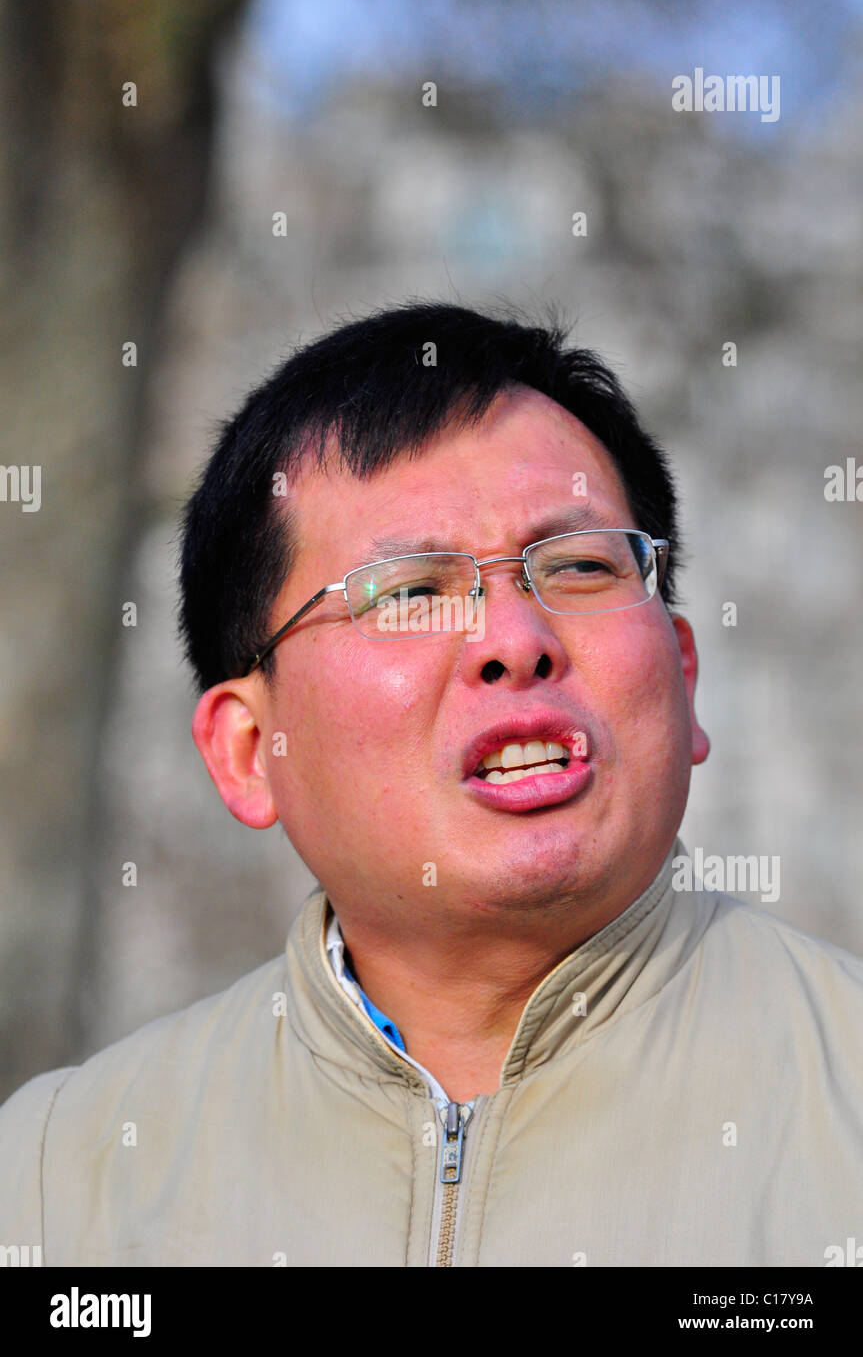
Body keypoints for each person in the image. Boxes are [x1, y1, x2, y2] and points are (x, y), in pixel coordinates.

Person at [1, 302, 861, 1268]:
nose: (516, 641)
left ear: (684, 675)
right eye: (411, 592)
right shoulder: (56, 1185)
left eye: (580, 566)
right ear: (248, 750)